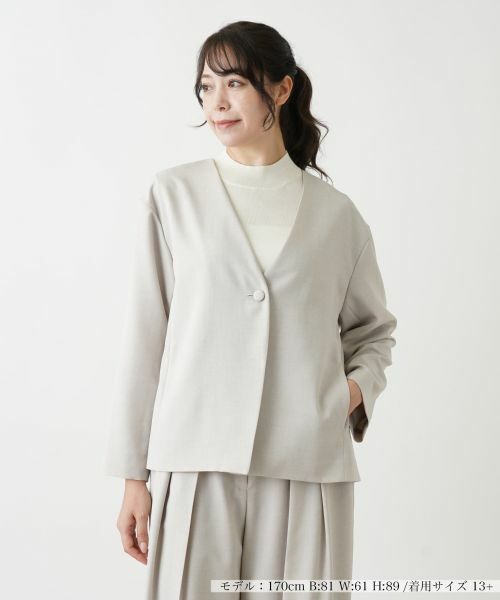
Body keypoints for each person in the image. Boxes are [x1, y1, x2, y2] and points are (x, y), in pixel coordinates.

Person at [104, 20, 397, 600]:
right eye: (206, 86)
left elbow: (373, 332)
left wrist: (348, 393)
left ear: (282, 90)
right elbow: (146, 337)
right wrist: (133, 475)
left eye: (234, 83)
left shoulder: (337, 216)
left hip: (306, 464)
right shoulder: (173, 196)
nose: (217, 102)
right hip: (194, 461)